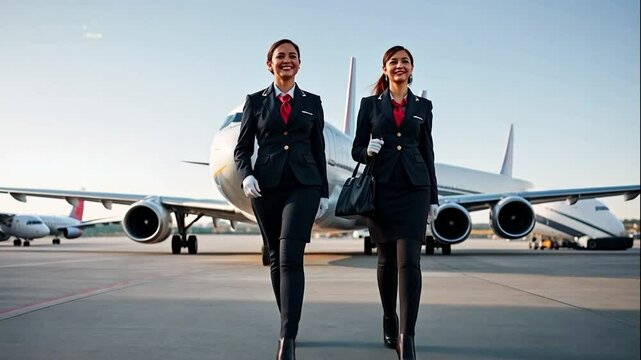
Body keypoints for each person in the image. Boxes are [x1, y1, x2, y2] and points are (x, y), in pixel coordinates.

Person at [234, 39, 329, 360]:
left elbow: (319, 150)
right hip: (267, 187)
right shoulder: (255, 102)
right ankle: (287, 318)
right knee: (275, 257)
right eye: (280, 57)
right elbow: (242, 148)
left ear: (299, 64)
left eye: (292, 56)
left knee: (290, 256)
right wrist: (246, 174)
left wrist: (324, 193)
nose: (286, 61)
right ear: (269, 64)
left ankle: (287, 337)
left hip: (304, 186)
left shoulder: (312, 102)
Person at [351, 45, 439, 360]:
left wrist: (434, 198)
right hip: (382, 188)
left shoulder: (424, 106)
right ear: (385, 69)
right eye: (393, 62)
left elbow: (428, 153)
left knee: (409, 261)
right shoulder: (370, 105)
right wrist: (367, 151)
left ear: (411, 69)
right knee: (387, 259)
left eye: (404, 61)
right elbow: (356, 149)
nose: (399, 66)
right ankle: (390, 316)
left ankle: (408, 337)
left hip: (415, 188)